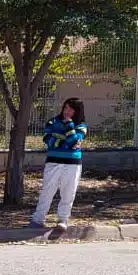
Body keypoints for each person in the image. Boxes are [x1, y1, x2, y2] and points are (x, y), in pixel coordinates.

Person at [30, 97, 87, 229]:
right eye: (65, 107)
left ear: (77, 112)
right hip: (53, 162)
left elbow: (75, 141)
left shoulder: (81, 126)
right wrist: (65, 141)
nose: (67, 111)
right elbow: (47, 139)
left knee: (68, 191)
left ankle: (63, 219)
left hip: (72, 163)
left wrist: (68, 126)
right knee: (47, 190)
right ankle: (38, 220)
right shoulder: (52, 121)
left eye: (71, 109)